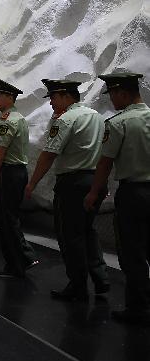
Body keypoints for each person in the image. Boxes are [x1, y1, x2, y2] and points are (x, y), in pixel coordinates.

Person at [25, 78, 109, 302]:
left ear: (64, 96)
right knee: (88, 231)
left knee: (70, 235)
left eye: (53, 97)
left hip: (73, 184)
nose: (51, 103)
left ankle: (78, 285)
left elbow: (48, 154)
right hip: (95, 180)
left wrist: (32, 183)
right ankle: (101, 278)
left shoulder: (65, 120)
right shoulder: (96, 117)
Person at [84, 71, 149, 325]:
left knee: (132, 252)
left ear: (122, 92)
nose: (111, 99)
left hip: (133, 194)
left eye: (112, 93)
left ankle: (138, 308)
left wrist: (94, 192)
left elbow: (105, 163)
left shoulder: (119, 123)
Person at [0, 78, 39, 278]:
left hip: (9, 173)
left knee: (7, 219)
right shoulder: (18, 118)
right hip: (17, 172)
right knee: (9, 218)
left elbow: (0, 154)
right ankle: (20, 260)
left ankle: (20, 262)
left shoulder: (8, 121)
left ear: (10, 97)